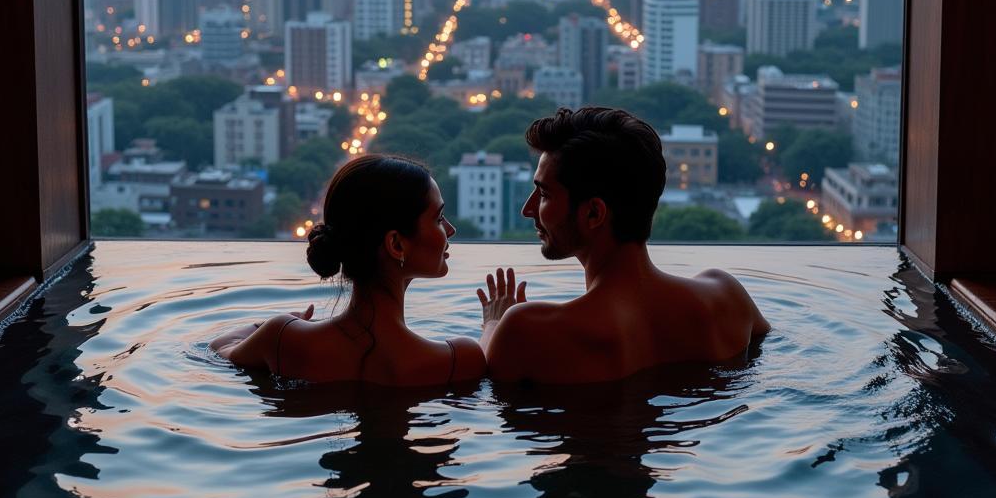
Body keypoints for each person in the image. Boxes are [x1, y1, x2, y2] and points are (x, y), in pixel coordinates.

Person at [482, 107, 770, 383]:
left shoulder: (527, 330)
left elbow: (482, 394)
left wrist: (494, 324)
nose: (527, 209)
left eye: (544, 194)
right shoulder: (726, 298)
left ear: (594, 213)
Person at [212, 154, 517, 386]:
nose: (450, 230)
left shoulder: (281, 339)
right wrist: (494, 322)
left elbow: (219, 347)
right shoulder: (455, 359)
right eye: (438, 218)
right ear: (396, 244)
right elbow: (489, 361)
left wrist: (273, 324)